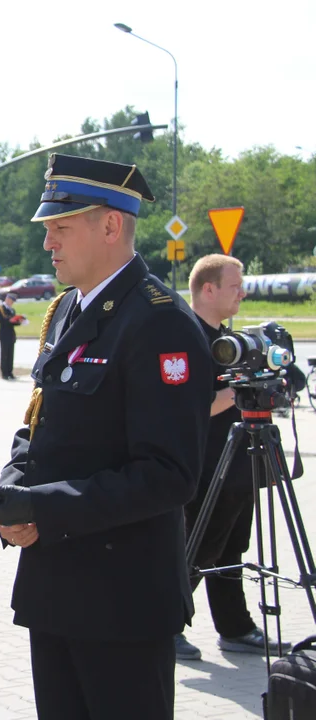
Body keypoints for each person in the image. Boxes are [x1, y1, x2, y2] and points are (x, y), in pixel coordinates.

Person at [0, 154, 213, 720]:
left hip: (122, 601)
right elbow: (41, 424)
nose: (47, 243)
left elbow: (169, 474)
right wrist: (15, 487)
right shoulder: (65, 312)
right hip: (56, 590)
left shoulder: (159, 322)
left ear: (110, 226)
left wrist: (45, 509)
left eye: (60, 227)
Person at [175, 254, 289, 661]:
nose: (242, 291)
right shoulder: (185, 337)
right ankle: (165, 623)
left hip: (240, 458)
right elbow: (187, 405)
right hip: (206, 465)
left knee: (231, 549)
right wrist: (239, 391)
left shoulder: (229, 338)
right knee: (197, 545)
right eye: (234, 285)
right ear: (208, 289)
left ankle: (235, 627)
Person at [0, 292, 22, 379]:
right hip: (4, 335)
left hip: (11, 335)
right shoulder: (0, 309)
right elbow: (3, 321)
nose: (12, 303)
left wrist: (19, 321)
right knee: (4, 354)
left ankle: (10, 372)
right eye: (11, 301)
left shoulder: (12, 310)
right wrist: (11, 320)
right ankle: (4, 373)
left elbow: (13, 323)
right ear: (7, 299)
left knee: (11, 355)